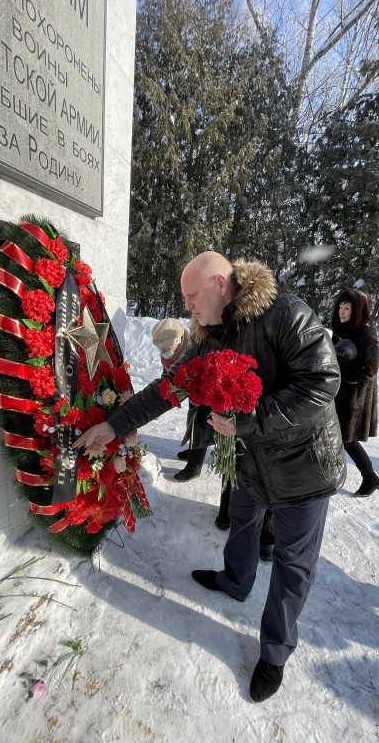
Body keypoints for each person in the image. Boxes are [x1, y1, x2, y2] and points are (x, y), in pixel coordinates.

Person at [74, 252, 346, 703]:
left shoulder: (286, 314)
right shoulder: (209, 339)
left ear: (221, 283)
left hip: (303, 465)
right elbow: (168, 389)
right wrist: (113, 426)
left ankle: (275, 653)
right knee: (242, 519)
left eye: (192, 296)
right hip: (251, 460)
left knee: (293, 564)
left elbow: (322, 381)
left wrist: (252, 417)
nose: (188, 308)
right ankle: (235, 581)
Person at [331, 289, 379, 497]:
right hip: (339, 392)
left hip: (354, 398)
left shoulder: (365, 334)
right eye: (341, 308)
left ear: (358, 310)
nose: (342, 312)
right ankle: (332, 474)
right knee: (335, 435)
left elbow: (369, 369)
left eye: (347, 308)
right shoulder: (342, 330)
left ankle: (370, 478)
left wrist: (340, 370)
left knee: (347, 439)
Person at [150, 318, 207, 482]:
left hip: (202, 388)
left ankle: (194, 466)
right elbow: (166, 373)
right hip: (188, 387)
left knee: (200, 423)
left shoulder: (194, 347)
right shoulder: (167, 351)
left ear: (180, 341)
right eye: (161, 349)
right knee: (191, 419)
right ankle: (192, 449)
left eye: (167, 348)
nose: (163, 352)